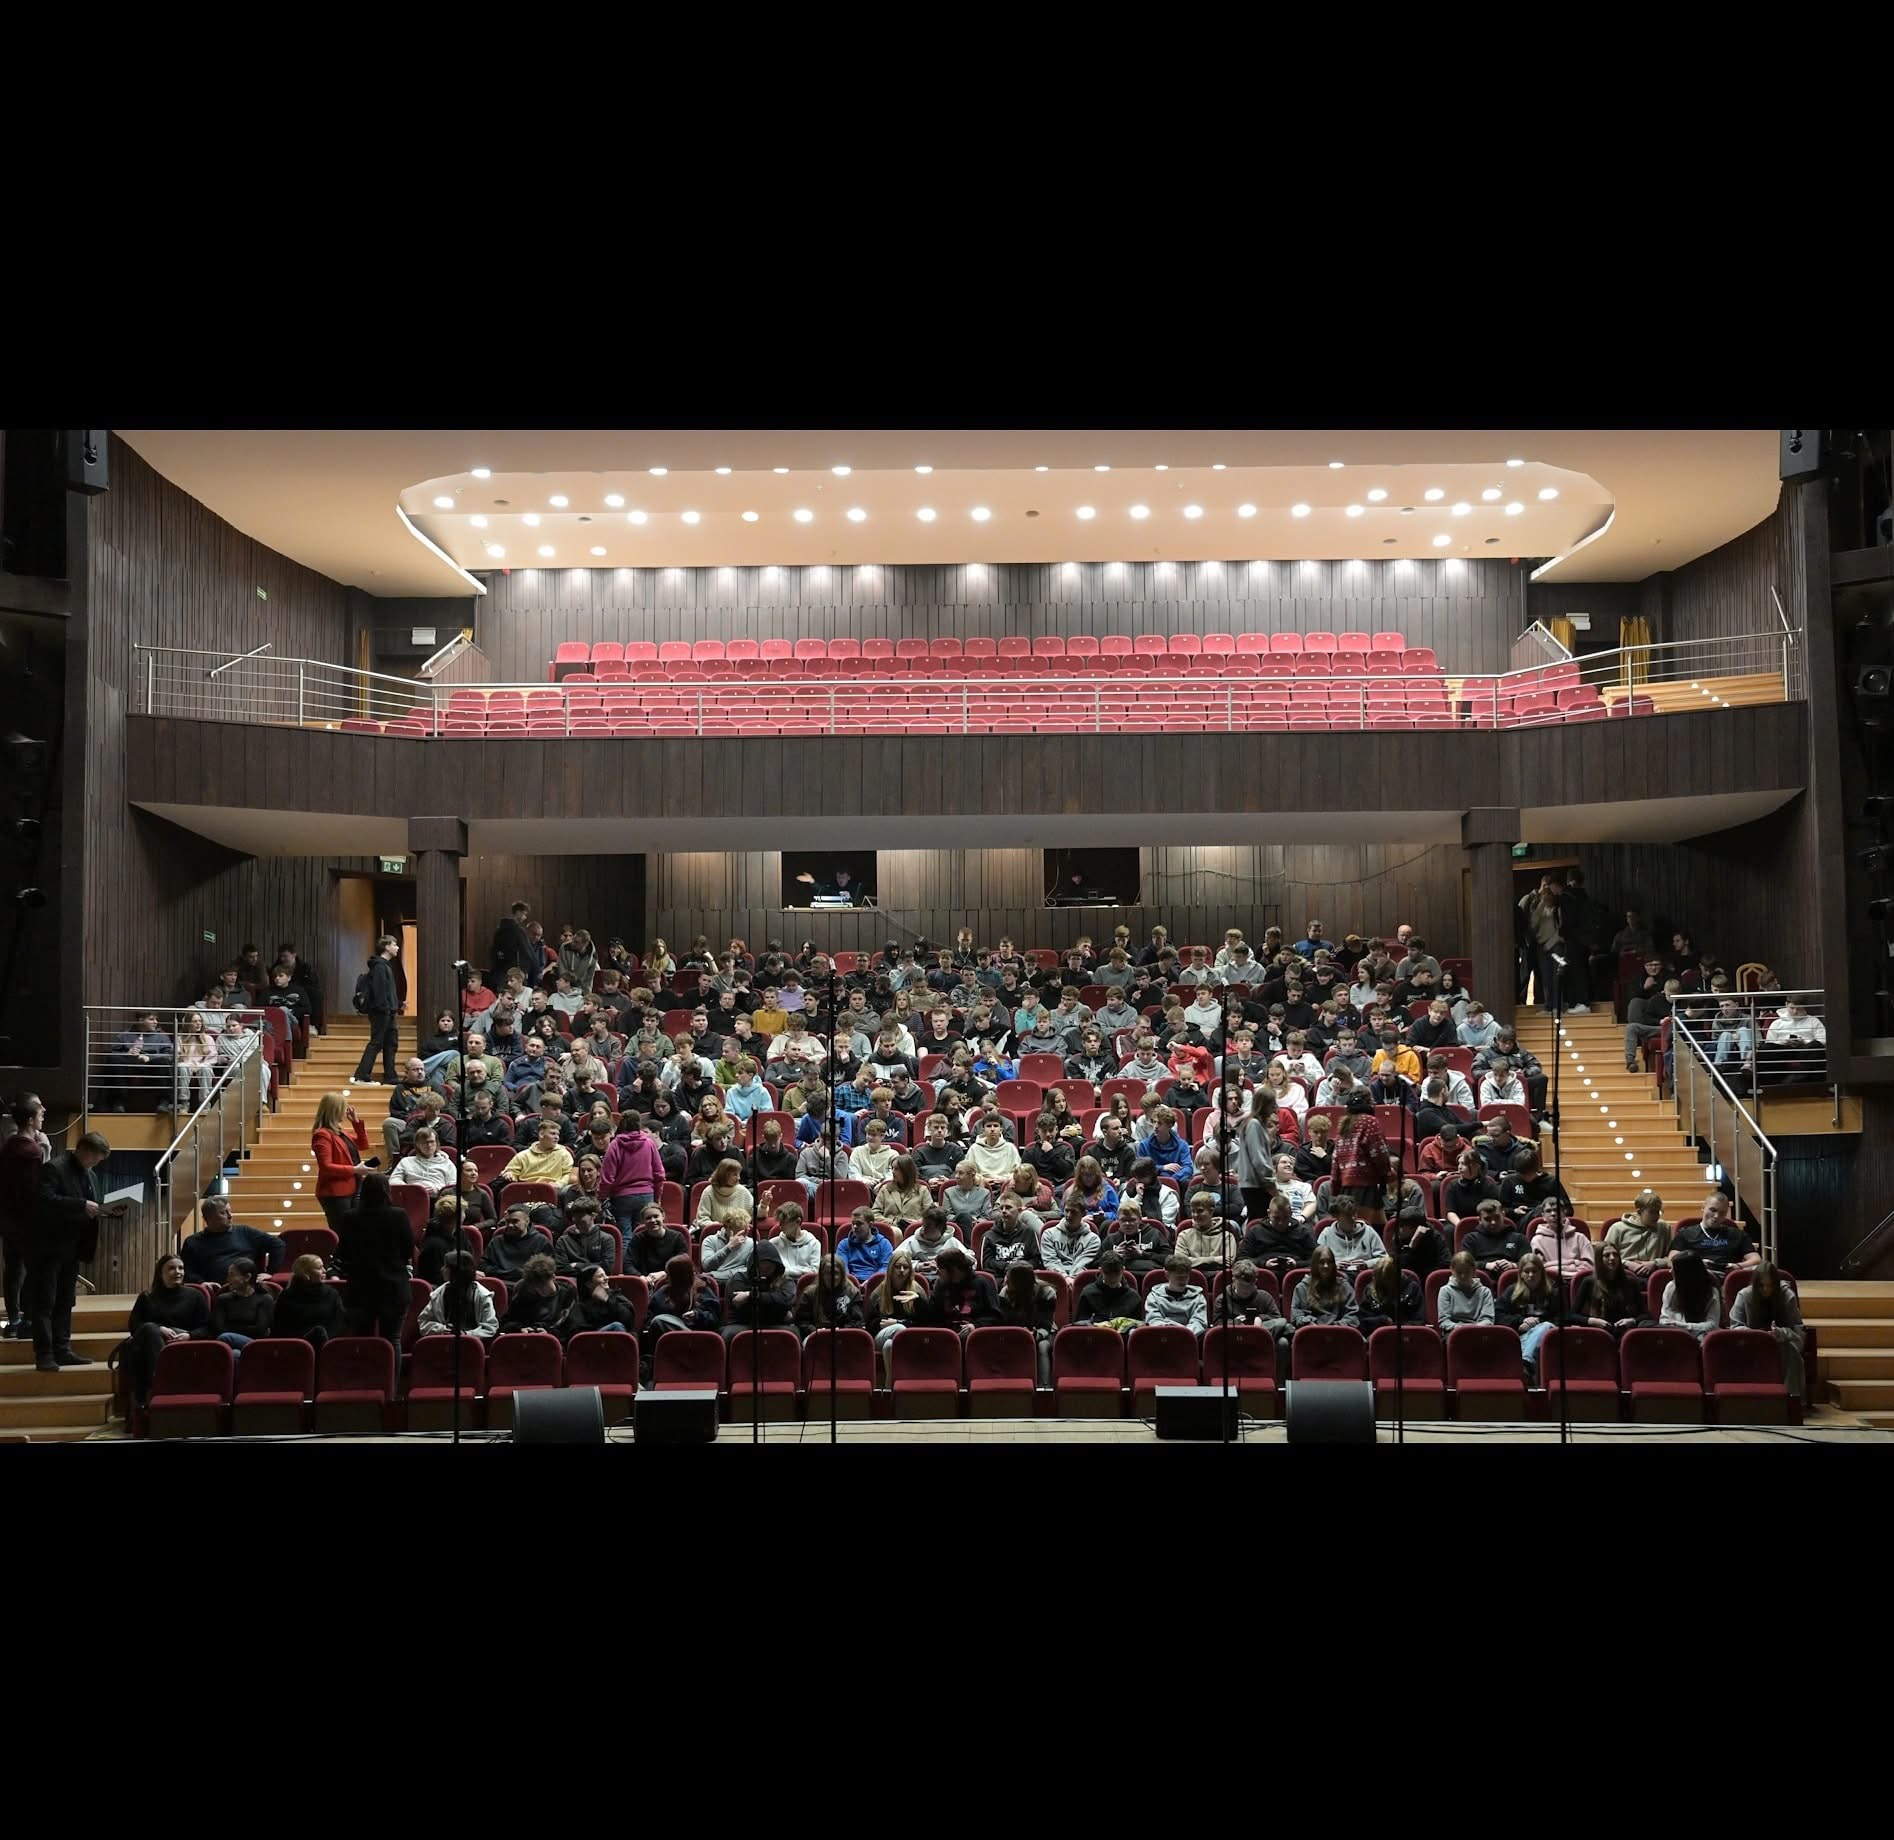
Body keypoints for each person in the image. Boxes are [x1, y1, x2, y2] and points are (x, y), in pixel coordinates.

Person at [25, 1129, 114, 1372]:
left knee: (65, 1301)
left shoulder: (90, 1174)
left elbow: (90, 1206)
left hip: (73, 1248)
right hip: (49, 1247)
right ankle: (44, 1354)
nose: (95, 1164)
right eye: (94, 1158)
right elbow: (44, 1201)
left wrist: (108, 1210)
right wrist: (81, 1205)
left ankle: (62, 1350)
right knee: (45, 1302)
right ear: (82, 1150)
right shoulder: (54, 1168)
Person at [336, 1172, 417, 1355]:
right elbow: (408, 1249)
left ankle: (366, 1374)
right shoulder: (399, 1215)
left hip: (360, 1288)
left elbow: (343, 1252)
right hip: (393, 1287)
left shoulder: (351, 1217)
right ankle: (392, 1375)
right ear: (386, 1191)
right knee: (393, 1339)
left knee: (363, 1341)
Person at [118, 1252, 212, 1406]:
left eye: (181, 1268)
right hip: (152, 1342)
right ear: (160, 1273)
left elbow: (207, 1328)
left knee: (148, 1332)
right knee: (149, 1329)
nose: (178, 1272)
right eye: (171, 1268)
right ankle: (160, 1380)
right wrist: (159, 1328)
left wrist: (189, 1335)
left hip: (185, 1343)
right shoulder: (147, 1297)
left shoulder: (195, 1296)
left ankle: (155, 1387)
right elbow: (134, 1326)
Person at [0, 1094, 51, 1336]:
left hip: (8, 1219)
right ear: (30, 1120)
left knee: (13, 1271)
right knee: (35, 1271)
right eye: (40, 1114)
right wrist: (45, 1148)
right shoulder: (31, 1150)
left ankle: (14, 1320)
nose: (43, 1116)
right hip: (28, 1221)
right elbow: (39, 1187)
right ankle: (28, 1321)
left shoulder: (8, 1146)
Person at [1730, 1263, 1805, 1397]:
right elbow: (1735, 1327)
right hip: (1751, 1342)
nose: (1766, 1290)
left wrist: (1780, 1333)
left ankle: (1791, 1398)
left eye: (1770, 1285)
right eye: (1761, 1286)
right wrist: (1759, 1335)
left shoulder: (1787, 1296)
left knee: (1790, 1351)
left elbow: (1797, 1332)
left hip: (1780, 1343)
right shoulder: (1744, 1295)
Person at [179, 1196, 285, 1285]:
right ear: (208, 1218)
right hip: (214, 1290)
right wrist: (201, 1283)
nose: (230, 1216)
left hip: (248, 1288)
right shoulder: (193, 1242)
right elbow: (187, 1271)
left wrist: (270, 1272)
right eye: (223, 1213)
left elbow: (278, 1245)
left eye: (230, 1211)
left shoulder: (245, 1232)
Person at [1498, 1251, 1563, 1376]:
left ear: (1541, 1273)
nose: (1531, 1275)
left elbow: (1562, 1317)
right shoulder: (1512, 1291)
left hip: (1546, 1337)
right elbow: (1499, 1315)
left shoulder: (1552, 1292)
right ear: (1521, 1274)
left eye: (1534, 1271)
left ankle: (1525, 1364)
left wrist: (1537, 1324)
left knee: (1545, 1326)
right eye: (1526, 1271)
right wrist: (1520, 1322)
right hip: (1521, 1337)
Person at [995, 1260, 1059, 1384]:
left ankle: (1044, 1387)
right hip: (1016, 1331)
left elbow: (1046, 1324)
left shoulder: (1046, 1293)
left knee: (1042, 1347)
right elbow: (1004, 1321)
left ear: (1020, 1282)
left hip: (1044, 1332)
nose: (1005, 1281)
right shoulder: (1005, 1293)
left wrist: (1034, 1335)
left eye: (1009, 1278)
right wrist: (1019, 1333)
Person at [867, 1250, 926, 1383]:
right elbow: (870, 1324)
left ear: (910, 1270)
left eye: (905, 1267)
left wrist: (918, 1301)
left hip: (909, 1337)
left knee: (889, 1345)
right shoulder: (880, 1291)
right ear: (891, 1269)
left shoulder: (916, 1290)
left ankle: (890, 1382)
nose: (901, 1270)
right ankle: (909, 1376)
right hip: (881, 1336)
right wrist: (887, 1324)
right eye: (897, 1266)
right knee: (899, 1329)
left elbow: (924, 1323)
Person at [1571, 1242, 1647, 1344]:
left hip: (1625, 1333)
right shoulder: (1589, 1282)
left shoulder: (1631, 1282)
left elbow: (1645, 1315)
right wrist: (1592, 1321)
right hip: (1598, 1333)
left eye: (1615, 1254)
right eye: (1607, 1255)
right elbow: (1572, 1315)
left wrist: (1632, 1321)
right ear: (1599, 1259)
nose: (1612, 1258)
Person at [417, 1249, 501, 1339]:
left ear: (457, 1271)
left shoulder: (482, 1295)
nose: (442, 1269)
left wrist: (467, 1334)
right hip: (445, 1341)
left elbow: (490, 1327)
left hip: (472, 1342)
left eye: (446, 1267)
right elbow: (424, 1322)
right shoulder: (439, 1293)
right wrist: (441, 1329)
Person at [352, 934, 402, 1083]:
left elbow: (386, 991)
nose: (397, 947)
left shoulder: (384, 966)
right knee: (376, 1042)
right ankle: (361, 1075)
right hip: (382, 1012)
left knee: (390, 1043)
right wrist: (386, 1008)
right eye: (394, 944)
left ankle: (390, 1075)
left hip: (388, 1011)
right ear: (386, 947)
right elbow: (380, 991)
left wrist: (397, 1004)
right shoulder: (380, 966)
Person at [1670, 1192, 1759, 1274]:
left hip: (1728, 1275)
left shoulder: (1737, 1234)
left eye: (1722, 1213)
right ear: (1703, 1207)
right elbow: (1671, 1260)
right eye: (1713, 1210)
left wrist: (1737, 1266)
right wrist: (1697, 1264)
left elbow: (1756, 1260)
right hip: (1696, 1275)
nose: (1716, 1216)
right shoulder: (1685, 1233)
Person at [1290, 1246, 1358, 1330]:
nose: (1326, 1266)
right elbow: (1296, 1316)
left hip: (1339, 1332)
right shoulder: (1302, 1288)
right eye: (1321, 1262)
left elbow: (1353, 1315)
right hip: (1311, 1331)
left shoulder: (1344, 1286)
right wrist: (1310, 1324)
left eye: (1329, 1262)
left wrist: (1336, 1326)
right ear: (1315, 1265)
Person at [1315, 1196, 1385, 1276]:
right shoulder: (1327, 1233)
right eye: (1348, 1215)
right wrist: (1334, 1265)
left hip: (1361, 1272)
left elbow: (1384, 1258)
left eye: (1354, 1213)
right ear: (1337, 1216)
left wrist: (1367, 1264)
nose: (1353, 1218)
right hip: (1336, 1275)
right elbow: (1317, 1260)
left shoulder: (1368, 1231)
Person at [1143, 1253, 1209, 1336]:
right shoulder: (1153, 1297)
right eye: (1179, 1277)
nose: (1183, 1281)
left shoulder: (1198, 1298)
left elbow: (1199, 1322)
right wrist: (1174, 1330)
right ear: (1167, 1275)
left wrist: (1182, 1333)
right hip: (1162, 1337)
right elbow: (1154, 1320)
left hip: (1190, 1338)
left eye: (1185, 1277)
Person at [1356, 1255, 1423, 1337]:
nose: (1383, 1286)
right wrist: (1381, 1320)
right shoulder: (1371, 1289)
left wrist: (1393, 1326)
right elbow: (1362, 1320)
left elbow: (1418, 1321)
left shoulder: (1412, 1288)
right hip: (1376, 1335)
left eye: (1386, 1281)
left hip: (1406, 1336)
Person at [1461, 1197, 1529, 1278]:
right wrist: (1486, 1265)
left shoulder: (1519, 1239)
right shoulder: (1470, 1239)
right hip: (1480, 1281)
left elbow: (1529, 1262)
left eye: (1497, 1217)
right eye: (1487, 1219)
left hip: (1512, 1280)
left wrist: (1513, 1265)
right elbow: (1463, 1263)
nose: (1493, 1222)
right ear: (1479, 1220)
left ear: (1503, 1215)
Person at [1174, 1192, 1239, 1272]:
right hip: (1191, 1277)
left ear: (1211, 1211)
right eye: (1193, 1211)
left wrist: (1193, 1261)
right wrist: (1215, 1260)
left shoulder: (1227, 1236)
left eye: (1200, 1211)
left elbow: (1228, 1261)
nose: (1195, 1215)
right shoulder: (1184, 1235)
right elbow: (1180, 1262)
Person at [1436, 1251, 1495, 1338]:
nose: (1463, 1276)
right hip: (1454, 1333)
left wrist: (1473, 1328)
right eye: (1459, 1272)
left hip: (1479, 1332)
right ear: (1452, 1270)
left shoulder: (1485, 1292)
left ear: (1474, 1270)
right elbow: (1444, 1321)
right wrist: (1461, 1328)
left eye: (1467, 1272)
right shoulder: (1445, 1291)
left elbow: (1488, 1320)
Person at [899, 1204, 964, 1279]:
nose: (923, 1229)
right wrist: (918, 1266)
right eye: (923, 1225)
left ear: (939, 1227)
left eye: (928, 1226)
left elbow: (970, 1261)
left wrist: (948, 1266)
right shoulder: (912, 1241)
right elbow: (894, 1261)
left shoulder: (951, 1242)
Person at [838, 1208, 895, 1284]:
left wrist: (871, 1282)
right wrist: (851, 1283)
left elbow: (885, 1267)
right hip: (850, 1283)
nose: (855, 1226)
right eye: (853, 1223)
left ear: (870, 1225)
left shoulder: (884, 1244)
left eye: (859, 1223)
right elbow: (842, 1267)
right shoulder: (844, 1244)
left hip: (876, 1283)